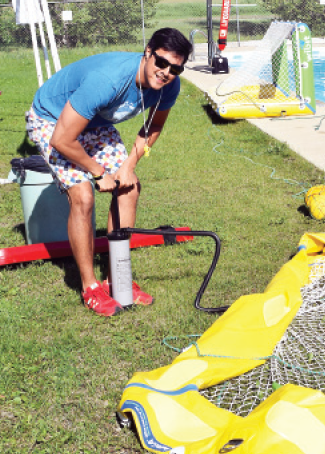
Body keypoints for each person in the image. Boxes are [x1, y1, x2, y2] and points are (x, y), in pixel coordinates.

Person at [25, 28, 193, 316]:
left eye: (175, 68)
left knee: (130, 187)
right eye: (161, 63)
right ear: (148, 53)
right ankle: (90, 286)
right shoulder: (109, 80)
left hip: (95, 123)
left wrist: (128, 166)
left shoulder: (169, 86)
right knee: (83, 196)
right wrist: (98, 172)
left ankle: (118, 277)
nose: (166, 72)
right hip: (52, 119)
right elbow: (62, 139)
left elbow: (153, 126)